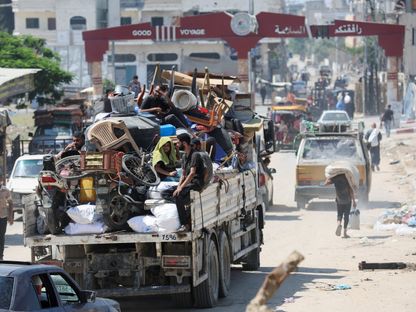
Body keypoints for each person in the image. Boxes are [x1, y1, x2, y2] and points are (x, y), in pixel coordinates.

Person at [173, 133, 212, 232]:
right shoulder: (184, 157)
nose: (177, 145)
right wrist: (178, 186)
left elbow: (192, 173)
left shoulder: (195, 155)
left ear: (184, 143)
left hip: (196, 183)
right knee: (169, 192)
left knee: (178, 195)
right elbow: (183, 174)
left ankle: (185, 225)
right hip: (189, 183)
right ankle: (186, 214)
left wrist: (181, 188)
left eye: (178, 143)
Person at [324, 174, 357, 238]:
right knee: (346, 216)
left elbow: (325, 184)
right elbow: (351, 190)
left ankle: (339, 224)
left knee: (339, 214)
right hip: (348, 200)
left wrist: (328, 177)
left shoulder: (335, 178)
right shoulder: (347, 177)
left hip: (339, 200)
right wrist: (354, 201)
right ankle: (344, 233)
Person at [0, 181, 13, 261]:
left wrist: (10, 216)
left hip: (2, 217)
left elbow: (11, 203)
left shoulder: (5, 191)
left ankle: (1, 256)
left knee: (1, 237)